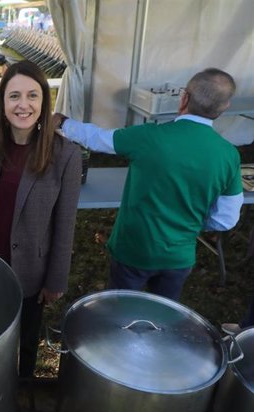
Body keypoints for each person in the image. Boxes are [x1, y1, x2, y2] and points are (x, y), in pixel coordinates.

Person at [53, 68, 243, 301]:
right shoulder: (229, 155)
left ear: (184, 98)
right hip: (179, 256)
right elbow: (226, 219)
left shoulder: (149, 136)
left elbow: (97, 138)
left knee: (119, 311)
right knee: (161, 318)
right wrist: (193, 222)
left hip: (133, 250)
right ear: (224, 107)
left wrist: (63, 122)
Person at [0, 60, 82, 378]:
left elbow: (65, 225)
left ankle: (23, 386)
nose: (23, 105)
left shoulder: (66, 155)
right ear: (3, 102)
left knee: (27, 337)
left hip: (33, 271)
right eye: (14, 96)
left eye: (32, 96)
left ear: (44, 101)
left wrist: (55, 281)